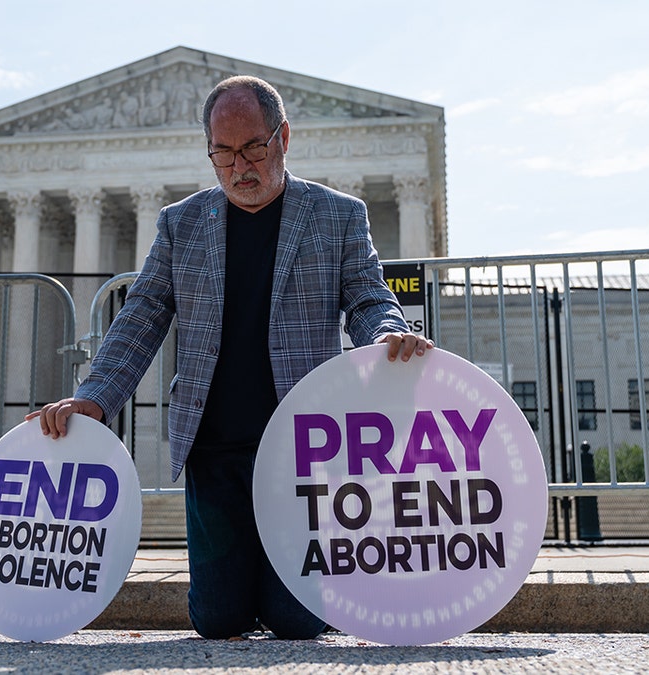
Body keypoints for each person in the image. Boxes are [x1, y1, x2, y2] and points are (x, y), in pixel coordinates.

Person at [28, 75, 433, 640]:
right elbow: (141, 317)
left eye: (253, 148)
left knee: (299, 623)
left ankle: (296, 596)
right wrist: (94, 399)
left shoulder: (338, 215)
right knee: (218, 621)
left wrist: (388, 333)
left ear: (283, 138)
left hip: (303, 447)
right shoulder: (179, 224)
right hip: (214, 443)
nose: (239, 165)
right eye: (223, 152)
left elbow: (368, 295)